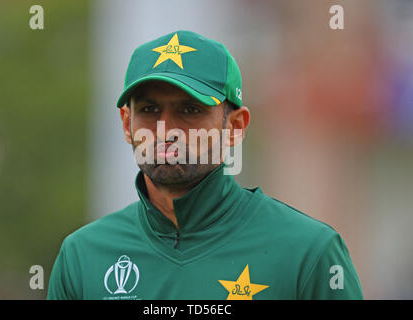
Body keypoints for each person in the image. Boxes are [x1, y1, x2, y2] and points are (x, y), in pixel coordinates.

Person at [47, 30, 363, 300]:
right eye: (150, 109)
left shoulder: (309, 253)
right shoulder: (82, 257)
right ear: (127, 123)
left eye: (190, 109)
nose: (165, 129)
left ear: (235, 126)